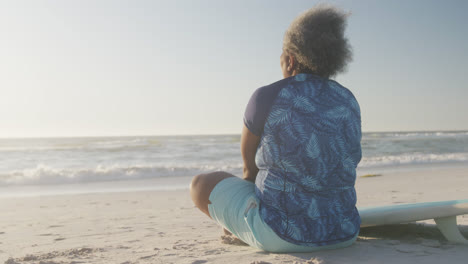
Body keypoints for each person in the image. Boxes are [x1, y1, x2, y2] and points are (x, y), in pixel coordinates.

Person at [190, 4, 362, 253]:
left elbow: (250, 172)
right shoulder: (348, 100)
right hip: (345, 232)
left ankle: (242, 228)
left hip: (280, 235)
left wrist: (233, 220)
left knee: (199, 185)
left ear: (291, 59)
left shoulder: (267, 96)